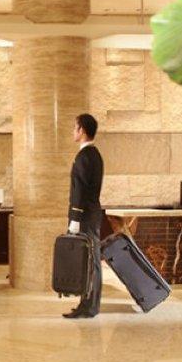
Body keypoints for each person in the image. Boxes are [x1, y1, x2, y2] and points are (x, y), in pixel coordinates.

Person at [64, 113, 104, 319]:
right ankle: (86, 303)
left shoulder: (85, 156)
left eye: (75, 128)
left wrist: (75, 219)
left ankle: (89, 306)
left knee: (90, 261)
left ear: (82, 131)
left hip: (85, 216)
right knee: (89, 261)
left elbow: (79, 191)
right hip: (91, 214)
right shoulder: (93, 154)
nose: (73, 131)